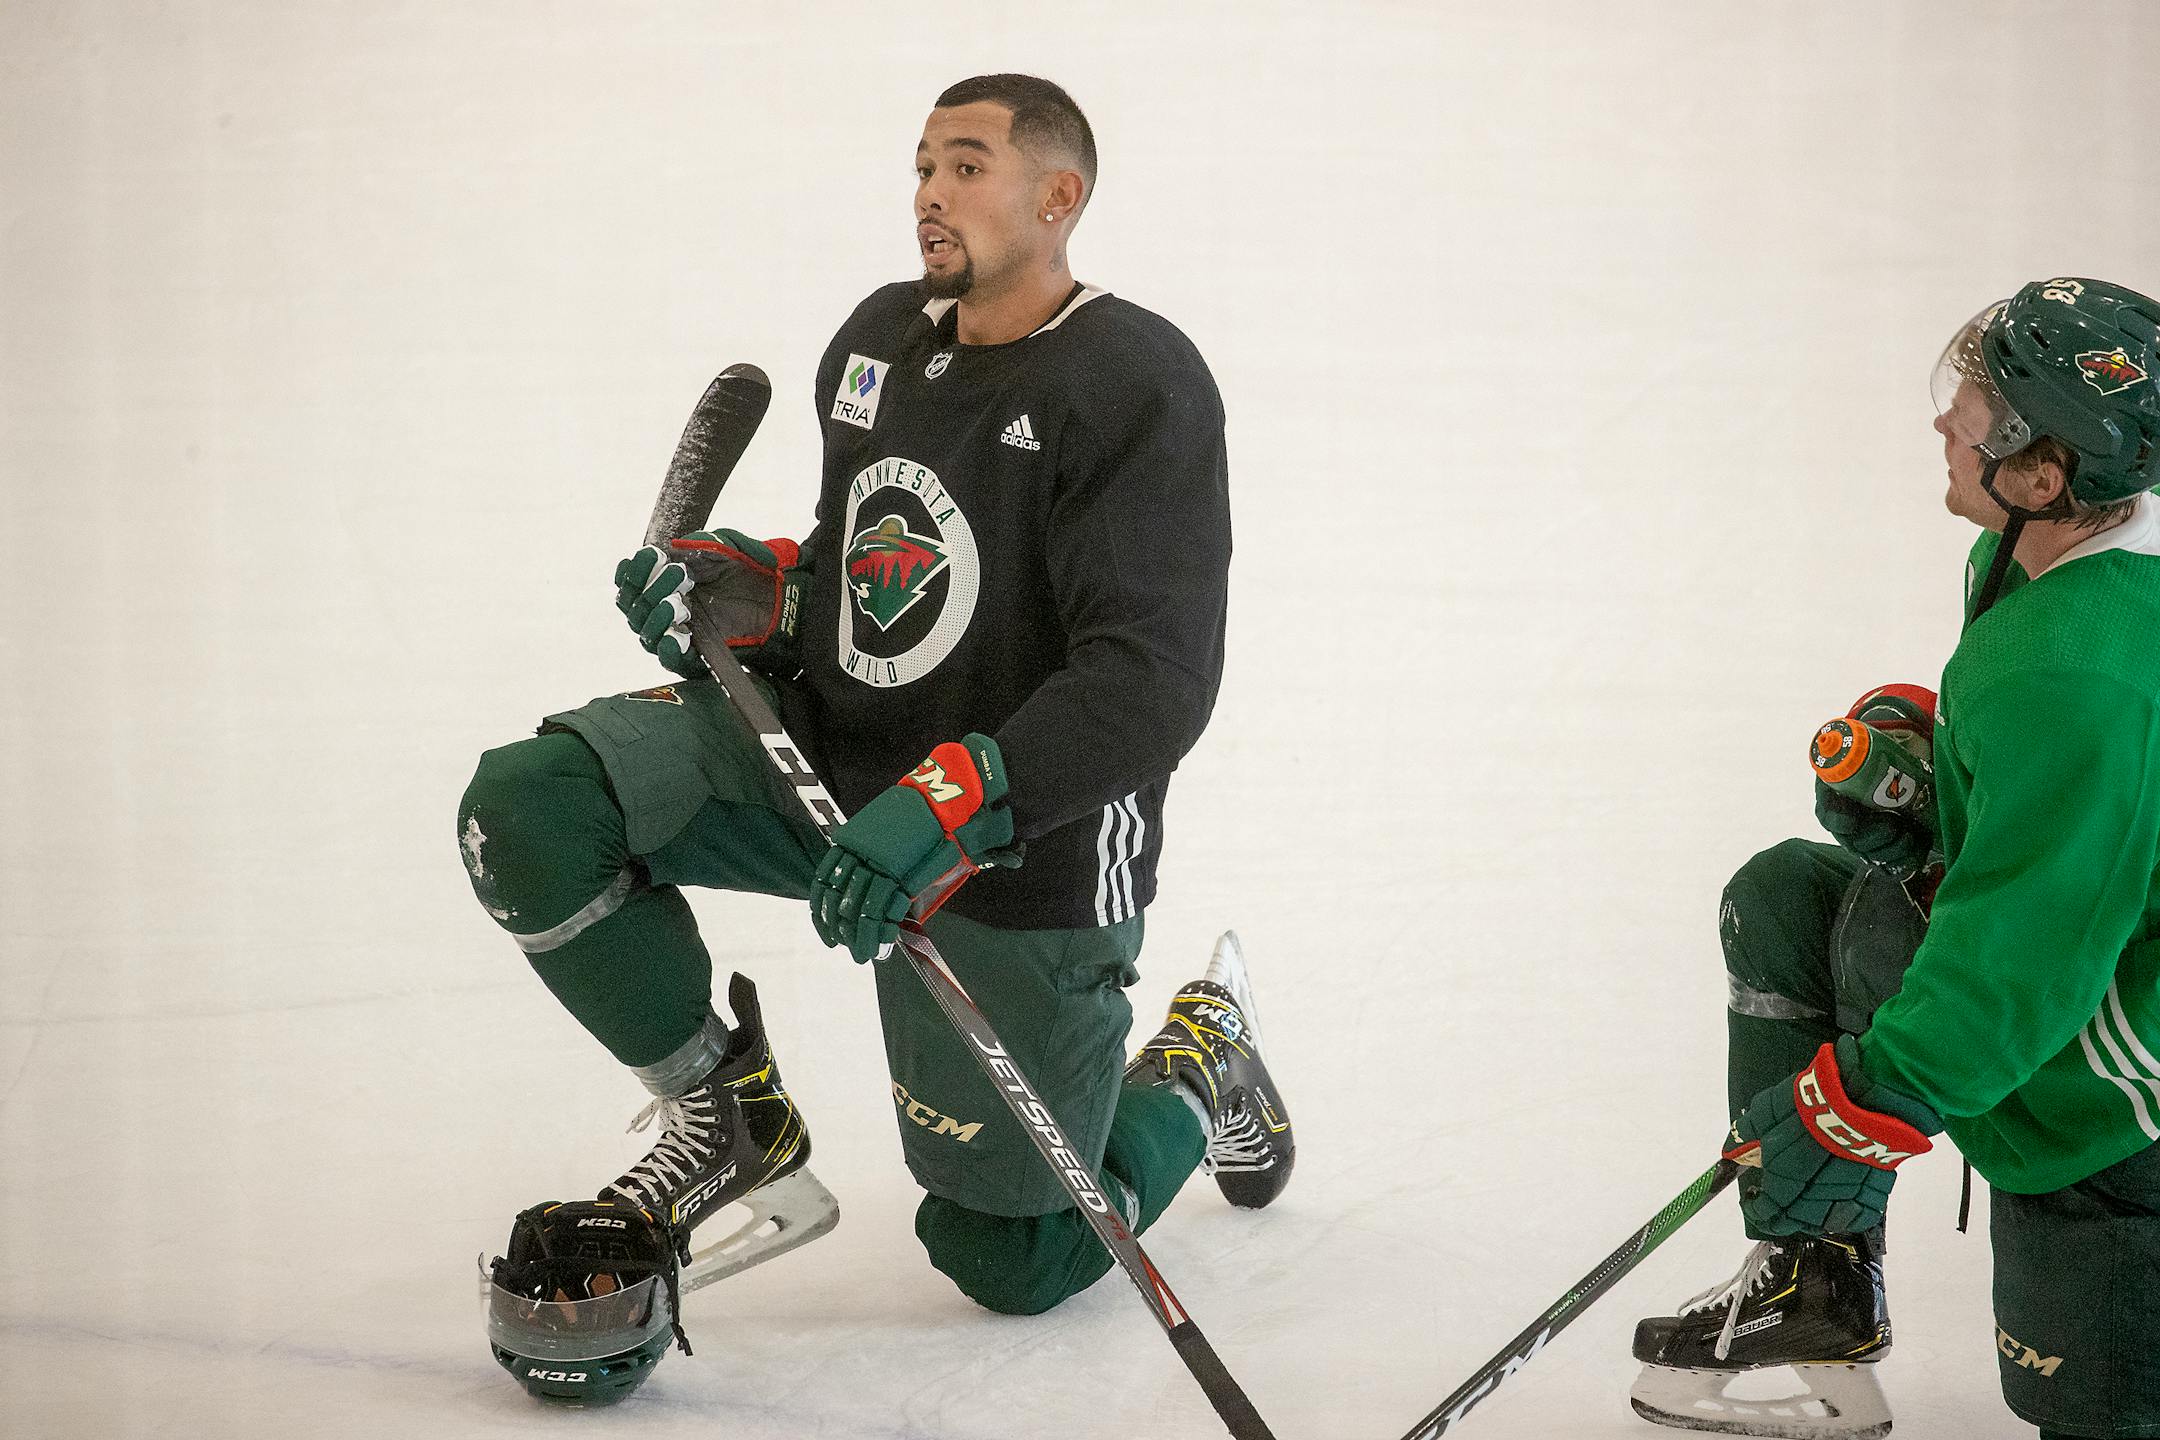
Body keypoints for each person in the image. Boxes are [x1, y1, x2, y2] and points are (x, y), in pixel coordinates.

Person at [462, 73, 1294, 1405]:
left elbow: (1152, 680)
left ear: (1059, 196)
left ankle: (1198, 1063)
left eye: (966, 166)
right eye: (921, 167)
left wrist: (962, 796)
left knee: (1010, 1253)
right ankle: (729, 1119)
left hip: (1022, 840)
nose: (929, 196)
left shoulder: (1134, 381)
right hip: (834, 765)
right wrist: (745, 591)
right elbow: (862, 575)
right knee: (532, 808)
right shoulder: (878, 346)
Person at [1630, 278, 2160, 1440]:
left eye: (1979, 408)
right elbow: (2068, 823)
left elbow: (2026, 953)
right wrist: (1939, 781)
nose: (1946, 419)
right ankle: (1813, 1290)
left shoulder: (2079, 666)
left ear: (2042, 475)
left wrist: (1864, 1107)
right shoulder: (2050, 559)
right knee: (1789, 899)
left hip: (2130, 1099)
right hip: (2085, 963)